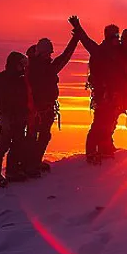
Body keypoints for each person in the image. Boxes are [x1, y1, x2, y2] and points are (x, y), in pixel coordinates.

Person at [70, 16, 126, 164]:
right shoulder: (100, 51)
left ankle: (104, 148)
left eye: (117, 36)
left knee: (109, 122)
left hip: (113, 94)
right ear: (108, 37)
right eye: (114, 36)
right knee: (100, 123)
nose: (117, 39)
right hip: (103, 94)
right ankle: (92, 152)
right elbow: (86, 41)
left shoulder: (118, 51)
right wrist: (78, 27)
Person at [24, 34, 79, 177]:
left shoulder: (41, 67)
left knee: (42, 136)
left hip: (44, 109)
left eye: (49, 54)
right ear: (40, 53)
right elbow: (64, 58)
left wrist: (75, 38)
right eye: (47, 54)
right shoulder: (36, 69)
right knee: (34, 137)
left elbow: (65, 57)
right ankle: (30, 165)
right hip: (35, 110)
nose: (49, 56)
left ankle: (33, 163)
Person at [0, 51, 29, 187]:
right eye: (20, 64)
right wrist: (4, 116)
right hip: (7, 116)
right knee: (3, 145)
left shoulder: (22, 79)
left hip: (19, 116)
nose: (22, 67)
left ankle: (12, 171)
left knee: (18, 143)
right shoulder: (0, 79)